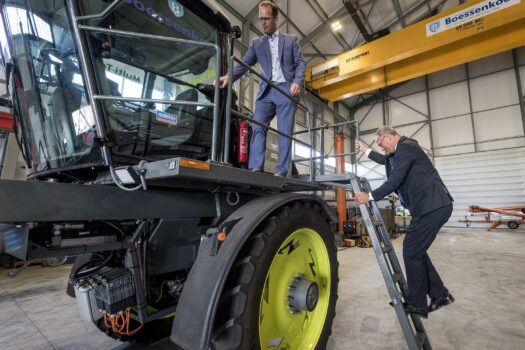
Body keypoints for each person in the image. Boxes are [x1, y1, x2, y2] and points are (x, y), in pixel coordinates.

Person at [355, 126, 455, 318]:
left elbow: (394, 181)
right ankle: (439, 294)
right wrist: (365, 150)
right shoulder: (399, 152)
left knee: (411, 250)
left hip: (433, 208)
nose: (382, 148)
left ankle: (417, 304)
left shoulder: (407, 148)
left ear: (389, 137)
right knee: (416, 251)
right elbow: (385, 160)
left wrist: (369, 197)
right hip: (428, 209)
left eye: (381, 143)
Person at [219, 0, 305, 176]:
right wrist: (229, 76)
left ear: (275, 19)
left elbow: (300, 63)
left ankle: (281, 170)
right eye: (260, 19)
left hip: (286, 90)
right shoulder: (257, 44)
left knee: (284, 131)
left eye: (266, 18)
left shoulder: (291, 41)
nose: (263, 22)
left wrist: (297, 81)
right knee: (257, 125)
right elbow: (243, 64)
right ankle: (255, 167)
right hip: (266, 92)